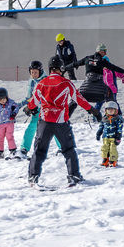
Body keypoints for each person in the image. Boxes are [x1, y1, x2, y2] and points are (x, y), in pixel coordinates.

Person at [23, 56, 101, 186]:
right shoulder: (66, 83)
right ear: (61, 69)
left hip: (45, 121)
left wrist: (28, 108)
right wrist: (93, 110)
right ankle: (74, 176)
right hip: (61, 122)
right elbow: (78, 98)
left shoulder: (41, 83)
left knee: (39, 150)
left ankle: (33, 176)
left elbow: (34, 102)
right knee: (68, 149)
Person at [18, 60, 59, 158]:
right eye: (32, 72)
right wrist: (21, 106)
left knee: (53, 128)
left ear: (40, 71)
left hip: (47, 109)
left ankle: (63, 147)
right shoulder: (31, 81)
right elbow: (29, 97)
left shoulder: (46, 80)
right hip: (36, 108)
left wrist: (35, 106)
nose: (33, 74)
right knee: (31, 127)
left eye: (35, 72)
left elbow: (47, 97)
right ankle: (24, 148)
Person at [95, 100, 123, 167]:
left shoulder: (117, 119)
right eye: (108, 109)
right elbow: (101, 127)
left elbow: (120, 128)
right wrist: (98, 133)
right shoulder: (104, 119)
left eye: (112, 110)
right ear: (106, 110)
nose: (110, 111)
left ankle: (113, 160)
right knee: (104, 148)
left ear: (115, 111)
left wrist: (118, 136)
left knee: (112, 148)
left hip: (114, 137)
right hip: (105, 137)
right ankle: (105, 159)